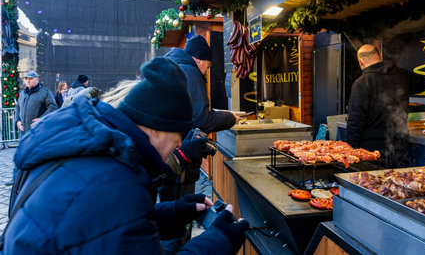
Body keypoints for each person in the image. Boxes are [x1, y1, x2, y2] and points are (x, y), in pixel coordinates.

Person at [2, 57, 249, 254]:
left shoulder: (97, 150)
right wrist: (218, 242)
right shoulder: (117, 181)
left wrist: (172, 213)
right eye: (175, 137)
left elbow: (102, 229)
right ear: (154, 129)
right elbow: (113, 213)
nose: (175, 146)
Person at [162, 35, 241, 252]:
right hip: (180, 161)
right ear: (199, 60)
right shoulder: (191, 72)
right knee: (178, 224)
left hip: (170, 159)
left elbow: (194, 112)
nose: (207, 70)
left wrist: (223, 113)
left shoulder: (175, 66)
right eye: (207, 65)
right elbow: (202, 119)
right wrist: (231, 118)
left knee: (171, 212)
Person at [346, 44, 425, 168]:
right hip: (399, 147)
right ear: (380, 56)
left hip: (372, 152)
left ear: (360, 62)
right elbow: (423, 83)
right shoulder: (402, 75)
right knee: (397, 184)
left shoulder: (361, 83)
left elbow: (355, 122)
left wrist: (350, 150)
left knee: (374, 185)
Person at [5, 71, 57, 186]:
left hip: (37, 131)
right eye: (26, 79)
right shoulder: (22, 93)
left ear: (37, 79)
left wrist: (41, 119)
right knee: (21, 154)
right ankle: (16, 179)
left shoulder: (45, 92)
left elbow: (53, 107)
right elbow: (17, 107)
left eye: (31, 78)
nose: (28, 80)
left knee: (38, 155)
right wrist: (17, 121)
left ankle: (39, 180)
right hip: (23, 131)